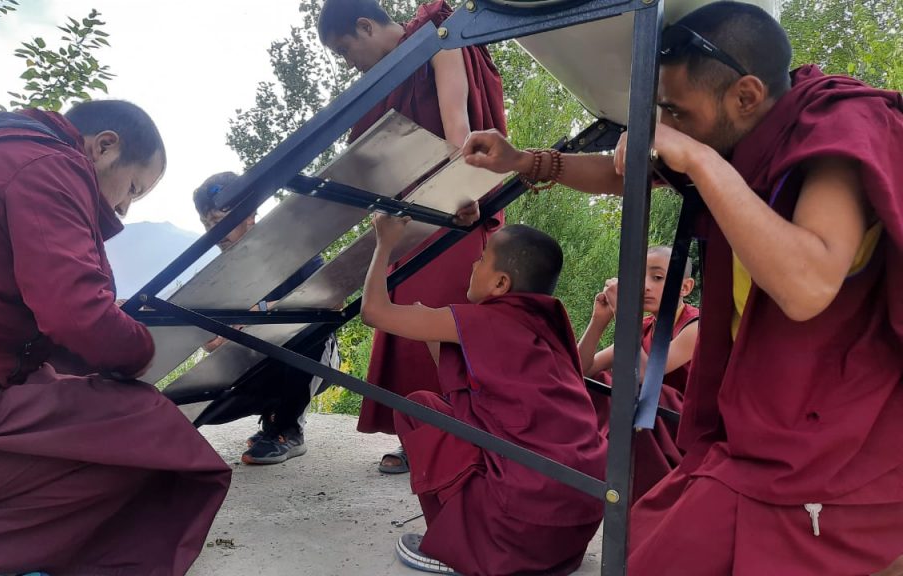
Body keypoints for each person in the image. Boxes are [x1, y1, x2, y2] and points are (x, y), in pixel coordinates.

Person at [461, 2, 903, 572]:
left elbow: (807, 283)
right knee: (649, 534)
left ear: (745, 95)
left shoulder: (838, 129)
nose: (665, 125)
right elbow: (624, 174)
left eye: (675, 111)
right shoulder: (732, 137)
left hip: (838, 433)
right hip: (763, 408)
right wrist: (525, 160)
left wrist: (691, 152)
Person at [0, 101, 231, 576]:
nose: (124, 210)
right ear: (105, 146)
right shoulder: (47, 162)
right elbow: (78, 315)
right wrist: (142, 348)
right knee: (145, 428)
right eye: (132, 188)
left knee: (67, 392)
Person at [319, 0, 508, 474]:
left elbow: (457, 126)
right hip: (406, 217)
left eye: (345, 50)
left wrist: (463, 192)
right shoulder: (384, 80)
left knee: (444, 314)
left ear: (365, 26)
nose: (348, 63)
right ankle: (419, 432)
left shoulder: (439, 37)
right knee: (404, 323)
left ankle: (466, 428)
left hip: (453, 209)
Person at [361, 214, 606, 576]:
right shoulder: (549, 323)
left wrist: (385, 243)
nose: (473, 265)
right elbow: (474, 399)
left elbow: (373, 312)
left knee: (417, 408)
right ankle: (487, 537)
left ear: (501, 282)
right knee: (440, 409)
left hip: (519, 529)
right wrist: (433, 329)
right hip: (570, 530)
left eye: (481, 258)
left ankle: (457, 548)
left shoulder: (482, 320)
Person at [190, 172, 340, 465]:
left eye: (219, 220)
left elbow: (334, 300)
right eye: (207, 224)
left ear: (249, 213)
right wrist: (214, 338)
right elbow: (211, 345)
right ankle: (273, 419)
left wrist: (261, 310)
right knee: (204, 403)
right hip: (255, 361)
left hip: (312, 352)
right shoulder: (221, 271)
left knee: (304, 327)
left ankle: (289, 429)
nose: (215, 231)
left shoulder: (292, 247)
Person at [578, 246, 699, 503]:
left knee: (646, 391)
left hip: (686, 432)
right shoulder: (644, 327)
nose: (644, 286)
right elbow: (583, 369)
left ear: (685, 287)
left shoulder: (696, 326)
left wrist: (624, 317)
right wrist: (599, 321)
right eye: (640, 276)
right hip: (649, 430)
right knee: (600, 382)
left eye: (657, 278)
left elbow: (647, 375)